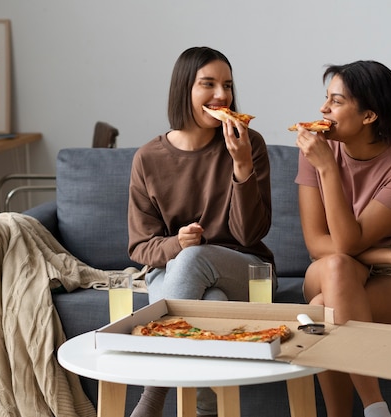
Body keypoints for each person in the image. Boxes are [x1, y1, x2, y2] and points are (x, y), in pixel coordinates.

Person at [127, 46, 274, 417]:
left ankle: (152, 396)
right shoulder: (148, 158)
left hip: (247, 271)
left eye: (227, 85)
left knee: (194, 258)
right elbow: (140, 246)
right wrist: (176, 243)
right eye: (208, 84)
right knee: (212, 306)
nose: (222, 95)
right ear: (183, 90)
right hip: (174, 274)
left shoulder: (248, 143)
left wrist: (241, 165)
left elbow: (249, 235)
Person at [293, 60, 391, 417]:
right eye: (325, 99)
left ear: (369, 115)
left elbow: (349, 241)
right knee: (338, 268)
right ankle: (376, 408)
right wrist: (389, 256)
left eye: (337, 101)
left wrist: (328, 167)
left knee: (321, 309)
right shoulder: (315, 152)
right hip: (335, 263)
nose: (323, 110)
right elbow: (320, 244)